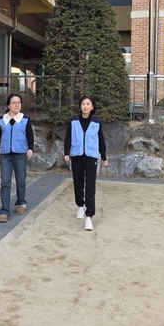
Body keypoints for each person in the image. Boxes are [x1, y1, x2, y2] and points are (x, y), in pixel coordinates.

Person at [64, 95, 108, 231]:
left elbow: (101, 140)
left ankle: (89, 216)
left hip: (91, 157)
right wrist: (66, 152)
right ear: (80, 106)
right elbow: (68, 137)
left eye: (88, 104)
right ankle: (80, 205)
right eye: (83, 103)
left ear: (92, 107)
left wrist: (104, 156)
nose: (85, 106)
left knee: (90, 186)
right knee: (78, 183)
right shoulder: (73, 121)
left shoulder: (96, 122)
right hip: (77, 156)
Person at [0, 93, 34, 223]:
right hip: (5, 155)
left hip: (20, 154)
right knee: (5, 182)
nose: (17, 104)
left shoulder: (25, 119)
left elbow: (30, 135)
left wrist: (30, 148)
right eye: (14, 102)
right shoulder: (2, 120)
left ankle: (20, 202)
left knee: (21, 181)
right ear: (8, 105)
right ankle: (4, 210)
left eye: (19, 102)